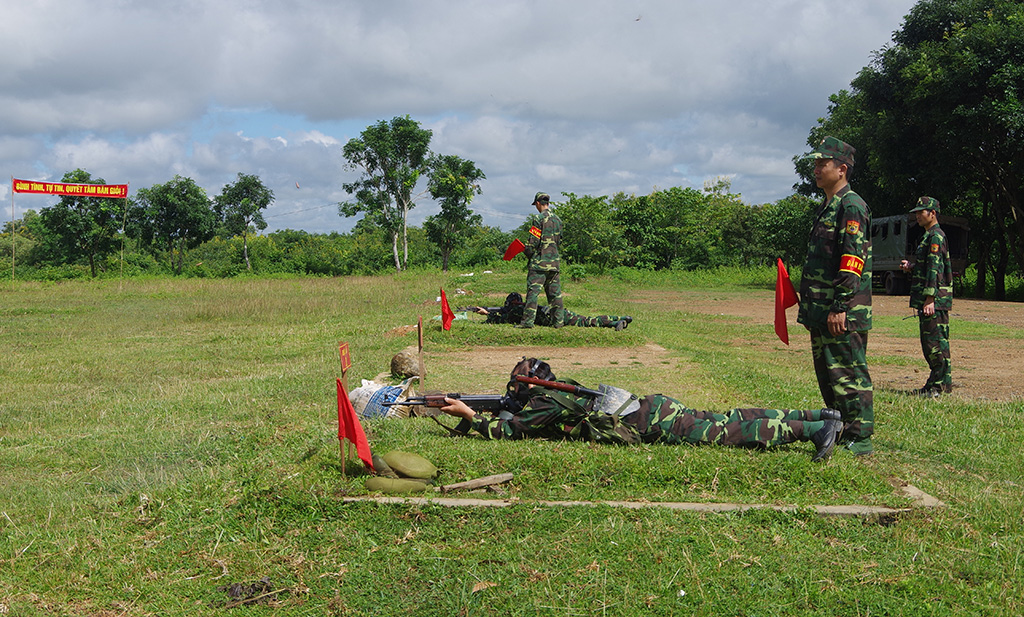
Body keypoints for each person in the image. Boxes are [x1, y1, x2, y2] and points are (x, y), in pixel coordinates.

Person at [437, 379, 844, 462]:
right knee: (728, 419)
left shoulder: (546, 403)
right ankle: (817, 415)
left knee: (730, 431)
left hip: (653, 422)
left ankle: (813, 429)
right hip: (652, 407)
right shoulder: (561, 389)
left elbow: (509, 430)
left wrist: (471, 417)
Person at [798, 136, 874, 457]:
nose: (815, 168)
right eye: (815, 163)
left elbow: (851, 260)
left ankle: (860, 437)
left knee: (848, 373)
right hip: (822, 310)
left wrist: (840, 306)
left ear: (841, 169)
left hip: (841, 311)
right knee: (830, 375)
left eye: (821, 163)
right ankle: (839, 429)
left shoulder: (851, 205)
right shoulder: (830, 205)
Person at [899, 196, 953, 397]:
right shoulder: (929, 236)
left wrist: (930, 298)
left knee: (934, 344)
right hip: (934, 299)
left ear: (933, 213)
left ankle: (938, 386)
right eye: (916, 212)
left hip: (935, 300)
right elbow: (927, 266)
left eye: (921, 211)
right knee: (934, 342)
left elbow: (935, 269)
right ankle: (937, 383)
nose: (917, 215)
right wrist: (912, 267)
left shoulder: (935, 236)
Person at [467, 292, 633, 330]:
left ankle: (616, 322)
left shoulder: (517, 311)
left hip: (551, 318)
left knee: (586, 323)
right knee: (587, 319)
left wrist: (487, 314)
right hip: (556, 311)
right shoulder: (525, 306)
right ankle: (619, 318)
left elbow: (502, 319)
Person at [518, 192, 564, 329]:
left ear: (538, 203)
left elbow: (533, 242)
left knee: (533, 293)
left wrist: (527, 252)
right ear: (547, 203)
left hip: (539, 264)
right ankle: (558, 323)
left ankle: (527, 323)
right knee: (555, 296)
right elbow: (559, 241)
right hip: (554, 263)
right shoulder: (558, 220)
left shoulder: (538, 219)